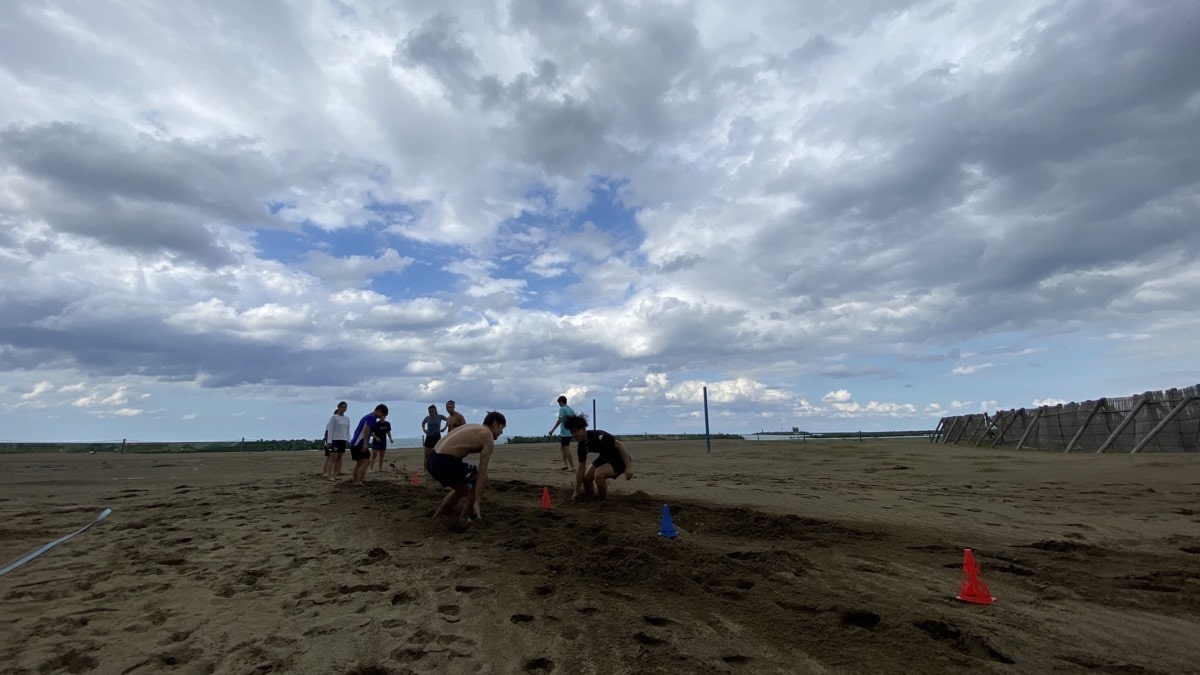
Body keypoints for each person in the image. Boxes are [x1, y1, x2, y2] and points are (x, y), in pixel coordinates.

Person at [427, 411, 506, 520]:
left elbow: (456, 450)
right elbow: (482, 473)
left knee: (461, 489)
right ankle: (465, 517)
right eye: (502, 427)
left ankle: (439, 515)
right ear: (495, 424)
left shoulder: (473, 427)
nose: (502, 432)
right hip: (444, 460)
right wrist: (477, 501)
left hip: (433, 460)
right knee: (476, 479)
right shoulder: (487, 436)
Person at [564, 414, 632, 500]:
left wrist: (628, 467)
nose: (574, 435)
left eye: (575, 431)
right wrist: (576, 491)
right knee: (586, 479)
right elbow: (581, 468)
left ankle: (603, 501)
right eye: (572, 432)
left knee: (599, 474)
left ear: (584, 429)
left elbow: (620, 445)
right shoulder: (581, 446)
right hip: (605, 457)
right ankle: (589, 497)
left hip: (620, 459)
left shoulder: (599, 436)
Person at [349, 404, 388, 487]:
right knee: (365, 462)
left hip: (355, 443)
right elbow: (366, 430)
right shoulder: (372, 418)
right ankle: (359, 481)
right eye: (383, 414)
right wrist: (365, 443)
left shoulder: (367, 416)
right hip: (359, 443)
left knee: (359, 463)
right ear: (379, 411)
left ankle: (356, 480)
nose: (382, 417)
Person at [546, 395, 577, 471]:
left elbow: (560, 420)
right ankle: (565, 464)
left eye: (559, 403)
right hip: (569, 432)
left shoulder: (562, 409)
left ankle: (572, 466)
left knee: (566, 449)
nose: (559, 405)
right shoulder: (571, 410)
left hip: (565, 432)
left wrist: (553, 430)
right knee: (562, 448)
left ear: (561, 402)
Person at [323, 401, 350, 481]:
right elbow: (330, 430)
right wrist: (329, 441)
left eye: (345, 407)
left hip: (343, 440)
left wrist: (348, 440)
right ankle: (329, 475)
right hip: (335, 440)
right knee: (333, 458)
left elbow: (347, 430)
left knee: (339, 458)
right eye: (342, 407)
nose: (343, 409)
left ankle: (335, 475)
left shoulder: (346, 418)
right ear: (338, 407)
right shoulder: (334, 417)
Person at [421, 404, 448, 474]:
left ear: (435, 410)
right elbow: (423, 423)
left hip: (437, 437)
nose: (431, 413)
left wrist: (444, 428)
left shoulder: (439, 417)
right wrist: (424, 429)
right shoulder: (427, 418)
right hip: (429, 437)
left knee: (439, 454)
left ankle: (440, 470)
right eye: (429, 411)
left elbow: (449, 420)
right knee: (427, 455)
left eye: (432, 411)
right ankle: (425, 471)